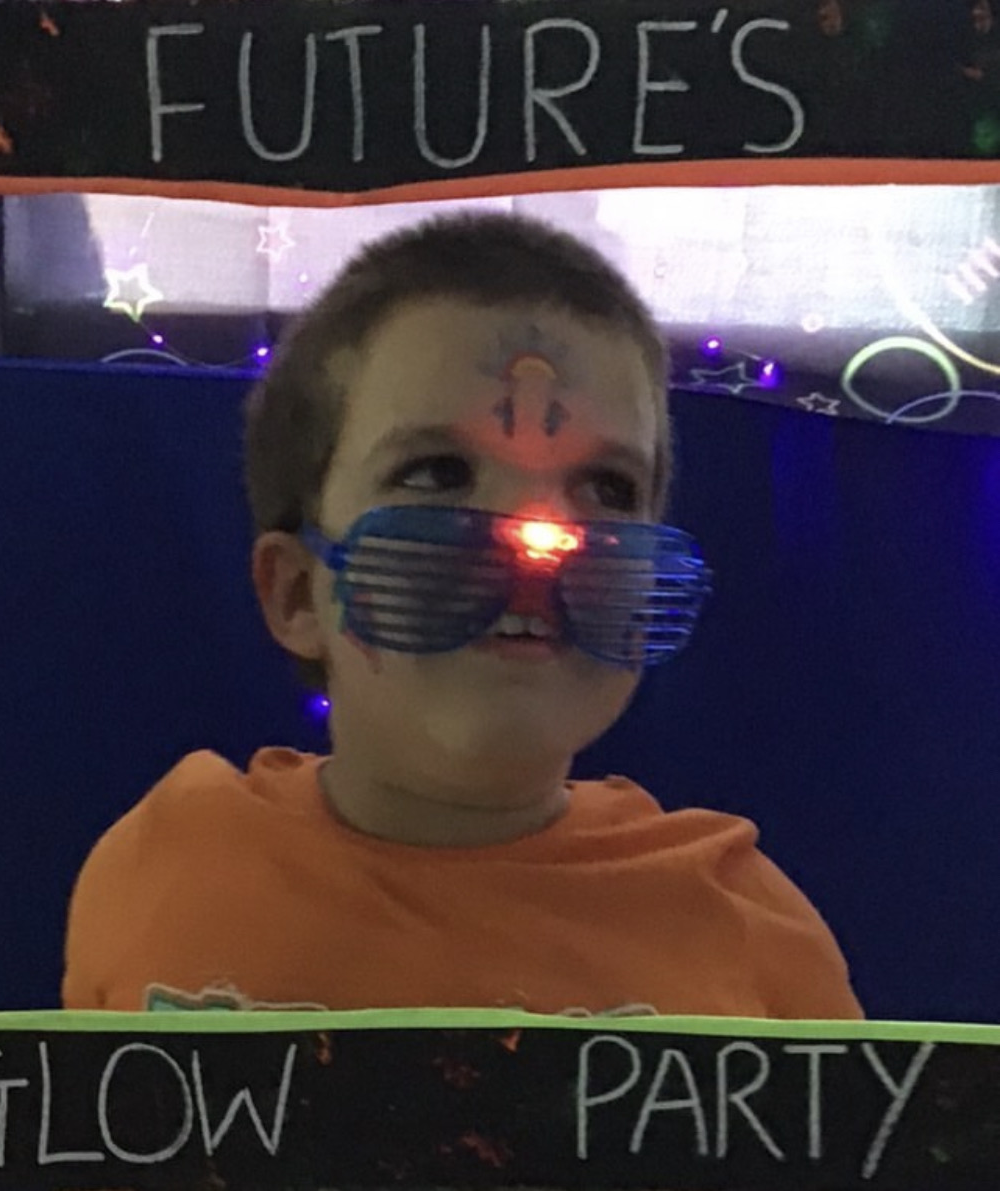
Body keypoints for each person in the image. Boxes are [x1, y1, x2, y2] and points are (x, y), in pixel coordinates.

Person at [62, 212, 862, 1020]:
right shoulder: (165, 867)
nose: (536, 545)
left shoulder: (748, 930)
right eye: (438, 472)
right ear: (298, 594)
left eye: (608, 488)